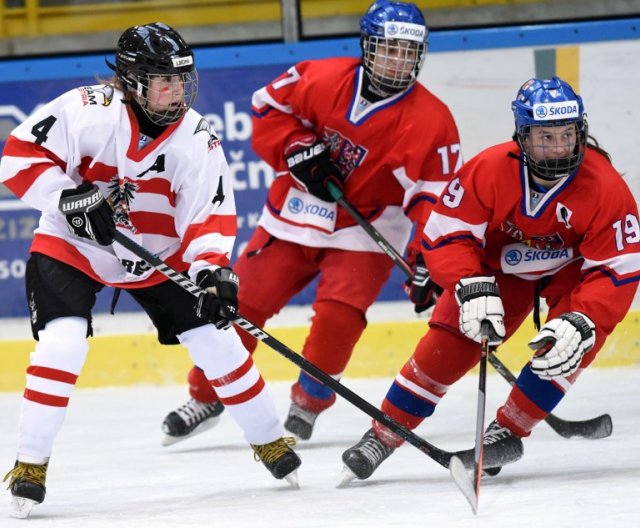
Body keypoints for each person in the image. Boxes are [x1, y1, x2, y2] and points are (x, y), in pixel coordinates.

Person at [0, 23, 301, 519]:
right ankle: (30, 463)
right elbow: (20, 155)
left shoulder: (197, 138)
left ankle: (269, 439)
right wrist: (67, 197)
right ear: (132, 81)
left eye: (182, 80)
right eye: (164, 80)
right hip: (71, 244)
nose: (177, 91)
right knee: (62, 343)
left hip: (158, 255)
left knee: (218, 342)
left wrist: (210, 271)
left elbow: (209, 214)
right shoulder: (85, 109)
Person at [161, 0, 461, 445]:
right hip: (294, 216)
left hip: (366, 231)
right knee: (238, 307)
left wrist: (427, 261)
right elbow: (267, 108)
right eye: (388, 49)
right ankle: (208, 394)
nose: (398, 61)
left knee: (338, 320)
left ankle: (309, 401)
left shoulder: (432, 122)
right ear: (367, 47)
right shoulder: (321, 77)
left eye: (407, 52)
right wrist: (297, 146)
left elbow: (435, 202)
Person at [340, 76, 640, 482]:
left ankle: (509, 429)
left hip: (571, 276)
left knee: (568, 346)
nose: (557, 148)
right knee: (443, 350)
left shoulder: (606, 187)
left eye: (566, 135)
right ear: (522, 135)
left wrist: (585, 318)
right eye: (544, 136)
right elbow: (448, 232)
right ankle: (383, 433)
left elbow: (617, 267)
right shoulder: (489, 168)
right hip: (497, 271)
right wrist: (469, 282)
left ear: (580, 131)